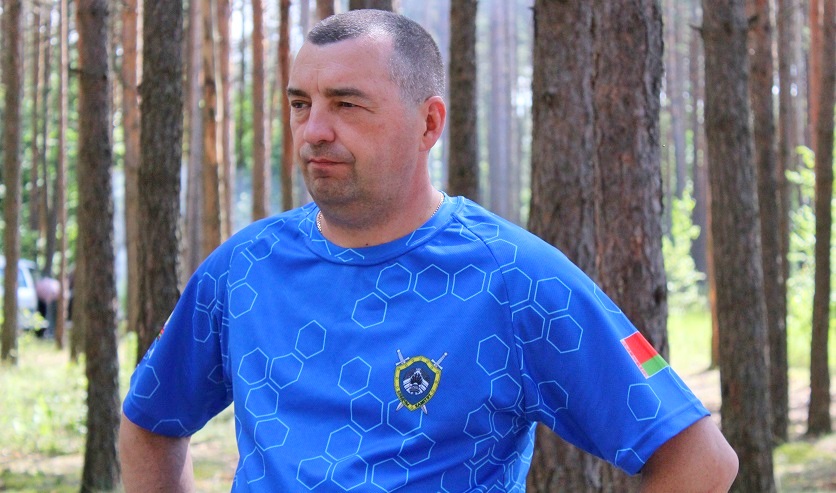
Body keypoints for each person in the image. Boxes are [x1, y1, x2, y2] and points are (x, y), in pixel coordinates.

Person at [120, 9, 738, 492]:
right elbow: (151, 420)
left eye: (347, 104)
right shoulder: (243, 269)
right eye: (301, 104)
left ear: (429, 124)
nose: (314, 131)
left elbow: (699, 461)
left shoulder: (513, 279)